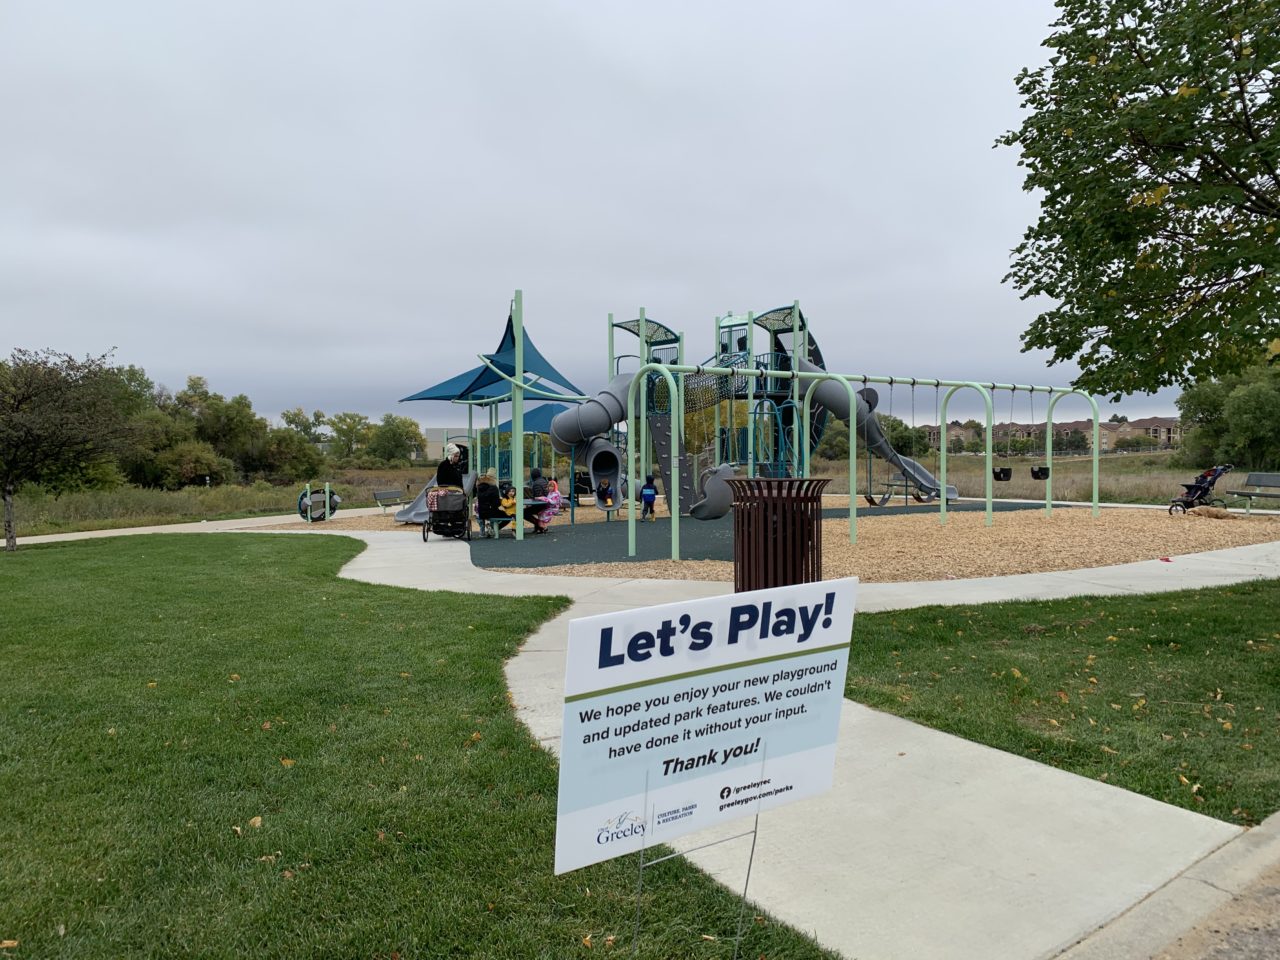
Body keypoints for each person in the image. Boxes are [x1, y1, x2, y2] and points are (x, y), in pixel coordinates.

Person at [524, 468, 551, 533]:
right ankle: (538, 527)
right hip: (547, 503)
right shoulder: (544, 481)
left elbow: (538, 497)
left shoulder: (536, 483)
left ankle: (539, 525)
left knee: (524, 513)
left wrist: (531, 502)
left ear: (532, 475)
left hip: (542, 505)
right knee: (528, 510)